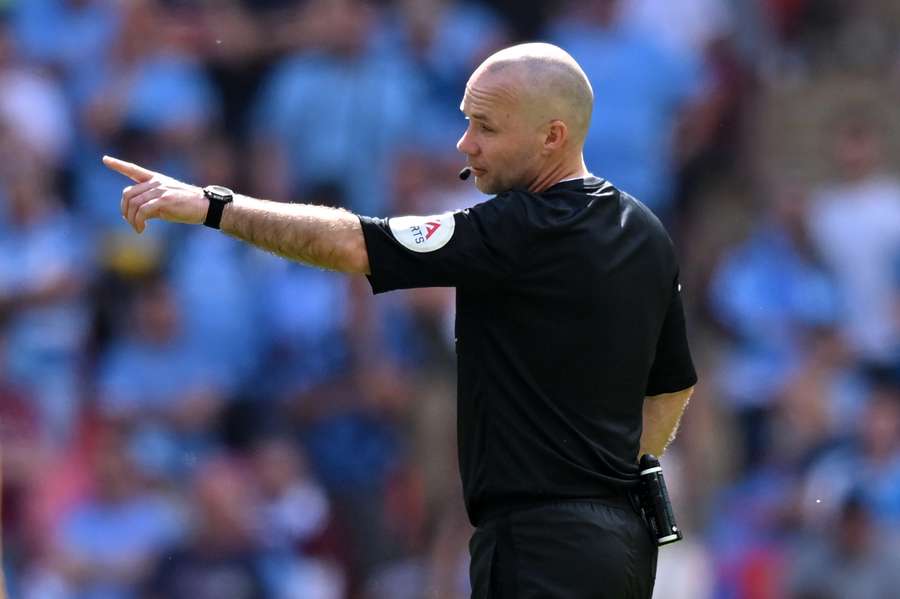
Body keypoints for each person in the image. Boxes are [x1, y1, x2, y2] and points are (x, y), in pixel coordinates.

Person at [105, 42, 697, 598]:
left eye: (486, 128)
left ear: (552, 137)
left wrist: (213, 206)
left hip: (542, 543)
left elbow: (355, 245)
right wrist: (612, 476)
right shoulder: (646, 232)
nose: (465, 144)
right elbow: (672, 386)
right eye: (467, 120)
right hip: (621, 541)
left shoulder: (517, 228)